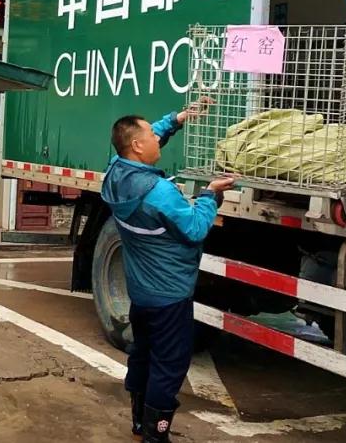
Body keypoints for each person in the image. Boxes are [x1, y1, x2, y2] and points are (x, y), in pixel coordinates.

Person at [100, 101, 235, 443]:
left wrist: (177, 119)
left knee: (143, 354)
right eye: (150, 135)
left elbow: (151, 135)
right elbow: (194, 228)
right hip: (170, 294)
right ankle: (155, 435)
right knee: (169, 364)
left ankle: (139, 422)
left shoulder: (115, 173)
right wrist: (209, 195)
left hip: (141, 293)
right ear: (137, 146)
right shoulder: (157, 192)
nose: (156, 139)